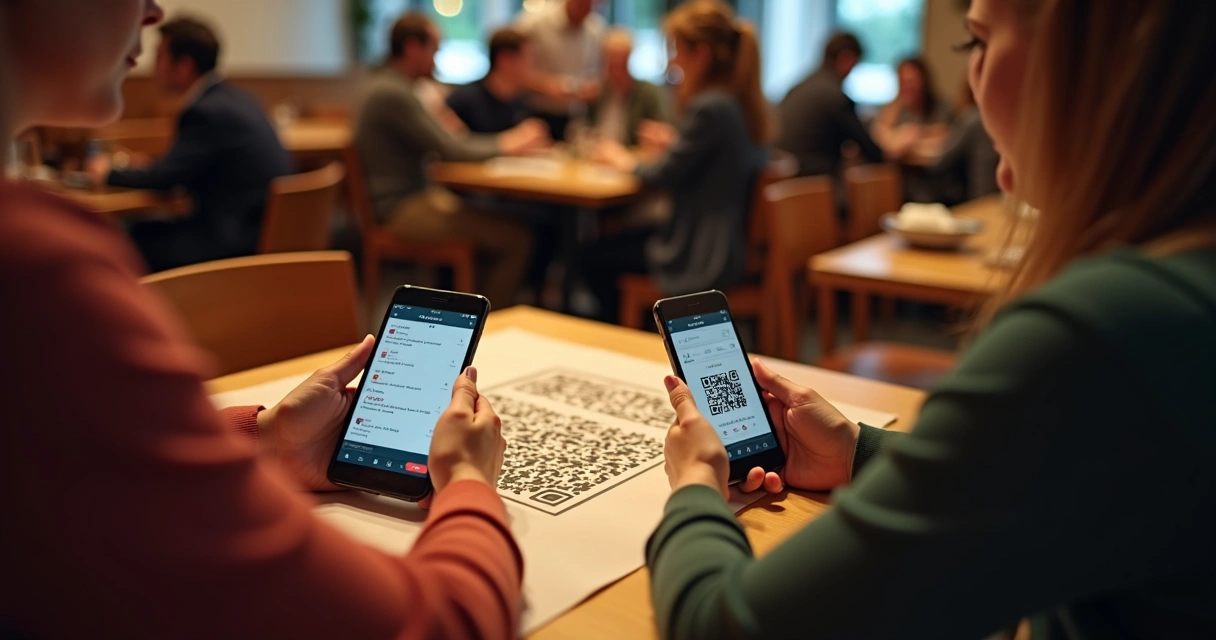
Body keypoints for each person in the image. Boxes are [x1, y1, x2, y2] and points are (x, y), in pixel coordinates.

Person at [647, 0, 1216, 637]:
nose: (970, 81)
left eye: (975, 42)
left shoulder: (1104, 335)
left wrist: (695, 481)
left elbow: (717, 625)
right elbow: (1036, 482)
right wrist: (860, 452)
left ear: (1090, 64)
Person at [1, 2, 523, 638]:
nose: (153, 10)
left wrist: (265, 442)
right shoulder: (36, 274)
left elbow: (75, 483)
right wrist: (469, 481)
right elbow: (437, 623)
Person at [588, 0, 770, 324]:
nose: (672, 60)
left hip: (700, 253)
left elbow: (662, 174)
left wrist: (620, 158)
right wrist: (675, 141)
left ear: (700, 53)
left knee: (592, 255)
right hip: (726, 243)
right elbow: (712, 158)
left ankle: (635, 341)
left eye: (676, 50)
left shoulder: (710, 106)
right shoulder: (737, 101)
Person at [355, 13, 550, 308]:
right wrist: (509, 142)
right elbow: (451, 149)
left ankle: (470, 313)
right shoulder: (393, 93)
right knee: (517, 237)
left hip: (410, 199)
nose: (437, 59)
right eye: (434, 49)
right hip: (401, 210)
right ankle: (487, 326)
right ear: (411, 48)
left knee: (495, 222)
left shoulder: (389, 86)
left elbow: (446, 143)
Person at [88, 16, 292, 272]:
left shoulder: (205, 111)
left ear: (183, 67)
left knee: (126, 235)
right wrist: (151, 166)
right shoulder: (238, 99)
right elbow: (184, 168)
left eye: (160, 57)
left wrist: (108, 172)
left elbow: (165, 181)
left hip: (230, 244)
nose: (154, 67)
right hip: (258, 233)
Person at [776, 33, 884, 180]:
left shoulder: (800, 87)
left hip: (783, 182)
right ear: (846, 58)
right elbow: (870, 149)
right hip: (812, 184)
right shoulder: (834, 96)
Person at [516, 0, 606, 140]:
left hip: (578, 117)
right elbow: (513, 70)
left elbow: (598, 74)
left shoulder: (596, 28)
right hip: (536, 114)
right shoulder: (533, 24)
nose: (589, 7)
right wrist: (545, 86)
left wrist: (593, 87)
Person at [587, 29, 670, 146]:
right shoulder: (598, 91)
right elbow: (586, 127)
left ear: (629, 60)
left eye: (620, 63)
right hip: (596, 155)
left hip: (630, 156)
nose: (616, 71)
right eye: (611, 64)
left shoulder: (647, 92)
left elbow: (662, 131)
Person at [446, 28, 533, 134]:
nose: (531, 66)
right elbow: (454, 145)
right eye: (526, 58)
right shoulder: (463, 100)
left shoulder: (520, 101)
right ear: (505, 59)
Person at [931, 80, 999, 204]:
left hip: (977, 200)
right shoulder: (1000, 119)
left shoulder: (971, 118)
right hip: (1000, 197)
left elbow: (941, 161)